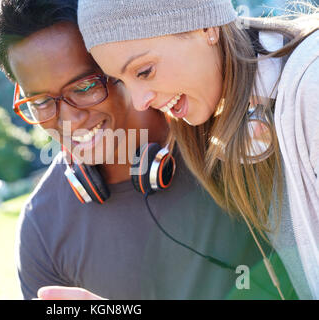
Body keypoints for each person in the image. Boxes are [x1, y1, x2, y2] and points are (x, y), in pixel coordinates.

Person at [0, 0, 296, 300]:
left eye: (86, 86)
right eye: (41, 102)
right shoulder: (42, 230)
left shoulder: (240, 137)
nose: (69, 120)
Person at [77, 0, 319, 299]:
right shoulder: (230, 119)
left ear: (205, 26)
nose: (139, 100)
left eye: (143, 71)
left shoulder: (313, 86)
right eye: (121, 80)